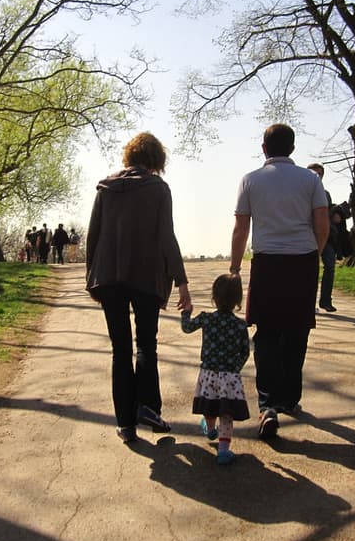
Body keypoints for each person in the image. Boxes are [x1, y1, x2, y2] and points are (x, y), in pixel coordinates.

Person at [86, 132, 192, 443]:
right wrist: (182, 282)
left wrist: (91, 278)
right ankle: (147, 406)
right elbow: (166, 238)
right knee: (146, 344)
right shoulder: (158, 188)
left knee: (121, 350)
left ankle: (125, 424)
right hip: (146, 277)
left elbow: (94, 234)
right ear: (157, 160)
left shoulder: (105, 187)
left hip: (109, 277)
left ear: (129, 156)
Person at [230, 123, 329, 439]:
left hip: (267, 260)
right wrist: (315, 252)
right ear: (293, 148)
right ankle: (290, 398)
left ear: (264, 148)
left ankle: (268, 404)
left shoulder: (251, 180)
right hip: (303, 259)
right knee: (298, 329)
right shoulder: (311, 179)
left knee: (267, 332)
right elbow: (322, 223)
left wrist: (234, 267)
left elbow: (241, 228)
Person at [181, 274, 251, 465]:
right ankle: (223, 451)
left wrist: (186, 311)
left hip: (209, 372)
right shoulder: (239, 325)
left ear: (214, 297)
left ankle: (210, 429)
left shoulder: (206, 319)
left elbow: (186, 328)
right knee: (227, 414)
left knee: (210, 404)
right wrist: (235, 368)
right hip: (230, 375)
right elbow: (245, 351)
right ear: (238, 300)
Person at [308, 163, 338, 312]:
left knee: (330, 266)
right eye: (314, 173)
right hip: (307, 236)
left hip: (325, 235)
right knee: (310, 270)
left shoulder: (325, 193)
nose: (317, 176)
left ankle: (326, 301)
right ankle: (308, 302)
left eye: (320, 174)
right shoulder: (302, 191)